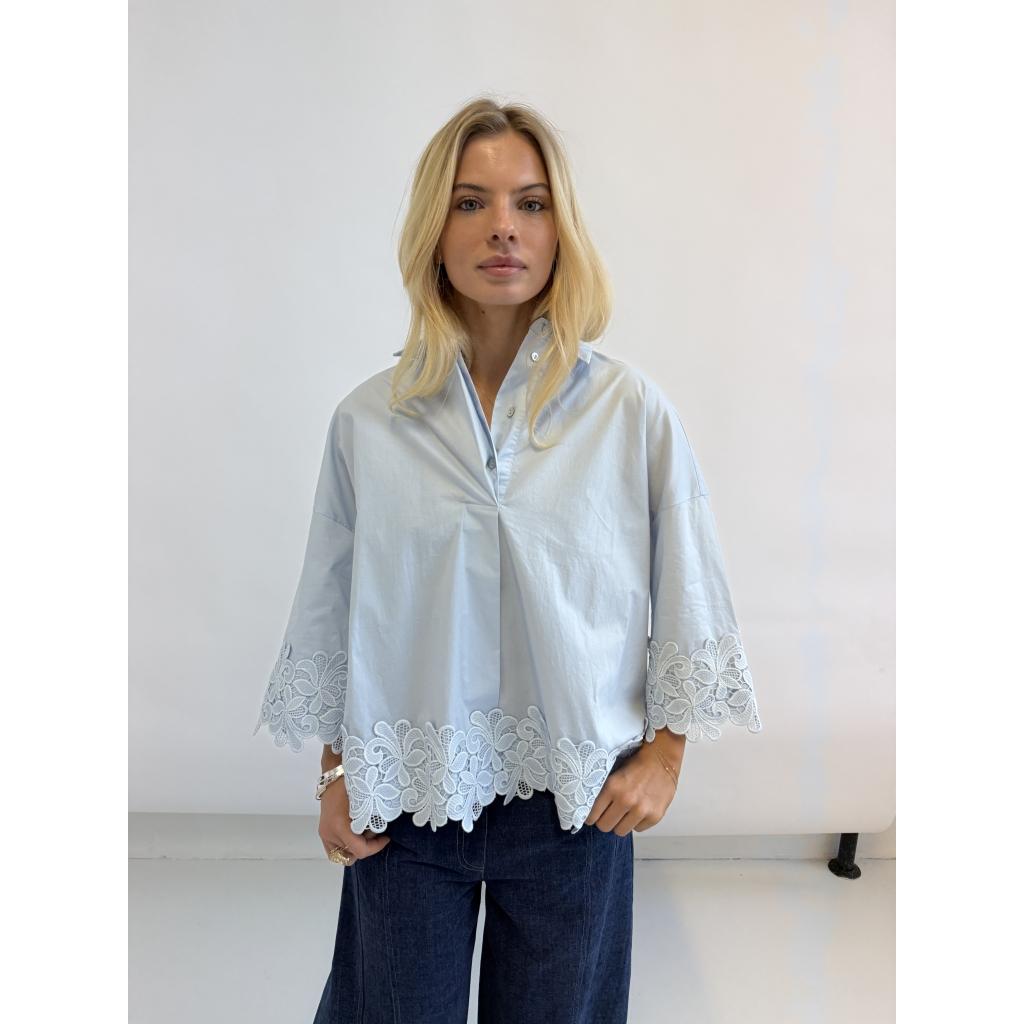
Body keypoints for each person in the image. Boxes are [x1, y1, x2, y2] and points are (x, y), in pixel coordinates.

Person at [253, 97, 762, 1024]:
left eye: (530, 203)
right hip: (406, 804)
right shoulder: (369, 422)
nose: (502, 228)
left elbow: (691, 585)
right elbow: (332, 607)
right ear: (433, 229)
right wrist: (333, 772)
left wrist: (666, 755)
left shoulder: (628, 414)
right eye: (470, 202)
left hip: (577, 803)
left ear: (561, 229)